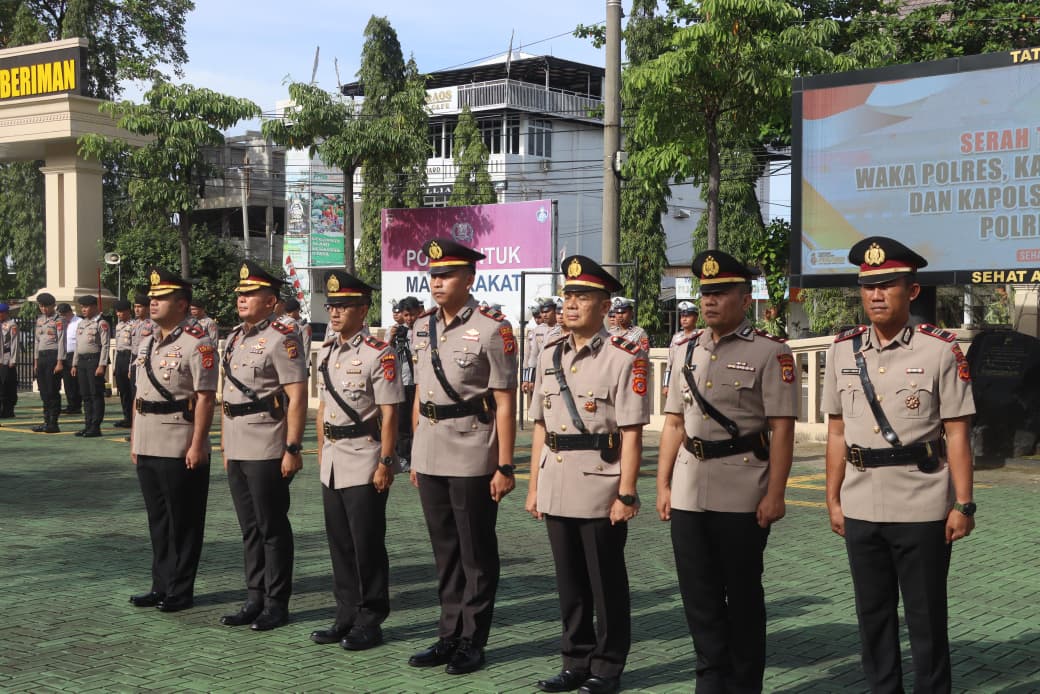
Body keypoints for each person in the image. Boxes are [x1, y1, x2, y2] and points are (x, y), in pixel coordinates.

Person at [823, 236, 976, 693]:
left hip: (922, 505)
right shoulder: (841, 350)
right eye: (868, 286)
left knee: (926, 620)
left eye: (887, 285)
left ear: (911, 291)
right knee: (872, 618)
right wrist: (832, 498)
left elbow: (957, 433)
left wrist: (963, 504)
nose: (875, 294)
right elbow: (835, 431)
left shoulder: (940, 350)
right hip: (861, 502)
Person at [656, 250, 798, 694]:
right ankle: (709, 682)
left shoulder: (770, 353)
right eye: (706, 293)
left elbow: (781, 429)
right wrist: (662, 484)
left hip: (743, 488)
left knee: (742, 597)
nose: (711, 301)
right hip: (688, 488)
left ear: (744, 296)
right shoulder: (685, 350)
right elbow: (674, 423)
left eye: (721, 293)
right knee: (699, 599)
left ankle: (742, 685)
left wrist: (776, 494)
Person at [525, 256, 649, 694]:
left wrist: (627, 493)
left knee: (605, 583)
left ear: (604, 305)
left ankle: (607, 667)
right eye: (568, 296)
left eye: (582, 297)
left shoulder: (623, 358)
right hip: (557, 480)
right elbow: (540, 424)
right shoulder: (548, 354)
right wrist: (534, 487)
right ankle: (574, 661)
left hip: (600, 485)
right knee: (570, 583)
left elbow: (632, 433)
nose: (571, 305)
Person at [407, 238, 518, 676]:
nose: (437, 282)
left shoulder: (493, 328)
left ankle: (473, 640)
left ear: (469, 278)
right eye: (433, 275)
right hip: (431, 447)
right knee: (445, 551)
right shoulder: (420, 327)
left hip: (473, 449)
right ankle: (448, 634)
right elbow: (419, 393)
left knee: (475, 552)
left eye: (446, 275)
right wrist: (415, 452)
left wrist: (505, 464)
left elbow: (505, 402)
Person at [309, 269, 403, 651]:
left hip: (365, 457)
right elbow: (322, 409)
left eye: (343, 305)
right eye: (332, 305)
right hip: (333, 458)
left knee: (366, 544)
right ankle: (345, 613)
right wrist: (320, 450)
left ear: (362, 310)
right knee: (340, 543)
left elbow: (391, 413)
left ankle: (370, 618)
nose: (334, 312)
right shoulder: (328, 351)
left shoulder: (379, 353)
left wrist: (385, 461)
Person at [219, 261, 308, 632]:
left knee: (271, 526)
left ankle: (276, 602)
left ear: (270, 301)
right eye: (240, 293)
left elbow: (297, 395)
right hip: (237, 443)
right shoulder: (235, 337)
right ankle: (253, 597)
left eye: (250, 294)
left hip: (268, 442)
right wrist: (225, 446)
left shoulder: (283, 337)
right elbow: (227, 398)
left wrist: (292, 447)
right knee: (249, 527)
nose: (242, 298)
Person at [129, 268, 217, 613]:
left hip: (179, 438)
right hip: (148, 436)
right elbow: (139, 395)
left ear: (181, 304)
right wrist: (136, 439)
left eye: (161, 298)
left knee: (184, 520)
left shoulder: (198, 343)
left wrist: (198, 444)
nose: (153, 302)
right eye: (152, 297)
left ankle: (180, 589)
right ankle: (160, 584)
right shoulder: (148, 341)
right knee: (159, 520)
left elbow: (205, 397)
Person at [390, 295, 422, 471]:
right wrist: (391, 339)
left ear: (419, 312)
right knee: (402, 422)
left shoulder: (425, 330)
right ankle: (403, 457)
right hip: (401, 382)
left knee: (417, 422)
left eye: (413, 314)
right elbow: (384, 354)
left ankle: (417, 456)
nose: (410, 319)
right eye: (406, 315)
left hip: (419, 383)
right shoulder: (395, 331)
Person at [70, 295, 110, 437]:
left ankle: (95, 426)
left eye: (86, 307)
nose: (84, 309)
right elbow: (77, 345)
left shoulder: (101, 323)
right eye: (82, 307)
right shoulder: (81, 323)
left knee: (95, 394)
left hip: (94, 361)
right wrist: (74, 363)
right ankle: (87, 424)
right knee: (85, 395)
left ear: (94, 307)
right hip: (81, 361)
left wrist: (102, 364)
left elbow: (105, 345)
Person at [32, 293, 65, 433]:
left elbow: (62, 341)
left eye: (46, 306)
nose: (43, 309)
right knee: (44, 392)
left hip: (53, 356)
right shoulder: (40, 321)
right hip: (42, 357)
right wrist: (36, 362)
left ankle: (53, 422)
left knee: (52, 390)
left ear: (53, 306)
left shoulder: (59, 320)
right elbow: (36, 342)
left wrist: (59, 362)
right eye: (41, 306)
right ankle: (46, 421)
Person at [662, 301, 700, 400]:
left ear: (696, 318)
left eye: (688, 316)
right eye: (682, 316)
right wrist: (666, 385)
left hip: (694, 380)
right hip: (676, 380)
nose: (684, 319)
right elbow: (670, 363)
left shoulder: (701, 336)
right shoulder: (676, 338)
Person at [522, 298, 557, 395]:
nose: (544, 315)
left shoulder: (562, 329)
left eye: (547, 312)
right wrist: (528, 379)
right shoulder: (537, 331)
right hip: (539, 375)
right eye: (542, 312)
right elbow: (532, 357)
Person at [112, 300, 135, 428]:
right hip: (120, 357)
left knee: (130, 390)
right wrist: (115, 365)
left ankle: (132, 418)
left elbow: (134, 346)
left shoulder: (133, 325)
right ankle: (126, 417)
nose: (119, 314)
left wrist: (131, 366)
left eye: (121, 311)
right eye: (117, 311)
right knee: (122, 390)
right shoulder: (119, 326)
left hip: (129, 356)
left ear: (128, 311)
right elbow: (117, 346)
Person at [59, 303, 82, 415]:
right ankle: (71, 404)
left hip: (74, 354)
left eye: (63, 314)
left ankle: (76, 405)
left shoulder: (78, 322)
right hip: (64, 354)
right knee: (67, 382)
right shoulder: (61, 322)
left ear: (69, 312)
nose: (62, 316)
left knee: (75, 381)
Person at [0, 302, 19, 419]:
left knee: (7, 384)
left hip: (6, 358)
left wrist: (13, 359)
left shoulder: (12, 325)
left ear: (5, 313)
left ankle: (8, 410)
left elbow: (14, 343)